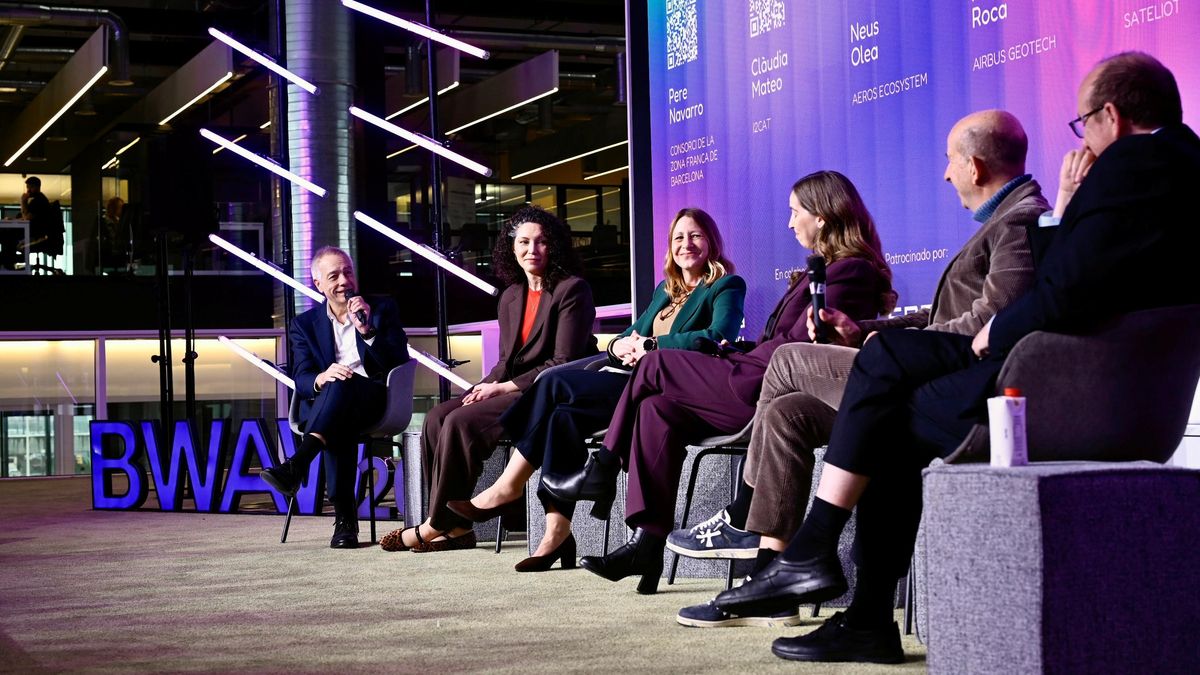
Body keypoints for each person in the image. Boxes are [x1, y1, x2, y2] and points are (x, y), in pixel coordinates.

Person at [714, 52, 1200, 664]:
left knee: (884, 392)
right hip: (1122, 389)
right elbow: (1097, 277)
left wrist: (996, 330)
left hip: (1059, 390)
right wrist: (1072, 208)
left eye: (1083, 126)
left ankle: (819, 559)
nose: (1085, 142)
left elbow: (1063, 291)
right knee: (885, 389)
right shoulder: (1182, 164)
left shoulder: (1134, 162)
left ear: (1111, 115)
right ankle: (851, 604)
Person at [669, 110, 1049, 628]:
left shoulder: (1020, 221)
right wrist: (864, 328)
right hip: (919, 372)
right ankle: (774, 574)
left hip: (942, 387)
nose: (945, 174)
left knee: (785, 359)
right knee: (789, 413)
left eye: (949, 162)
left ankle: (741, 511)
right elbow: (943, 316)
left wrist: (897, 345)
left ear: (975, 166)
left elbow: (992, 324)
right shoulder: (1004, 221)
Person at [543, 170, 896, 596]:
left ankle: (600, 471)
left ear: (821, 216)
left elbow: (810, 350)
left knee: (655, 366)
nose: (789, 222)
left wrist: (724, 353)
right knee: (656, 411)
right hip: (753, 373)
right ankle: (646, 545)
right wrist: (733, 351)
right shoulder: (817, 272)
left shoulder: (851, 272)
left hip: (770, 392)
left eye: (795, 212)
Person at [445, 207, 746, 572]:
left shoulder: (726, 285)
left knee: (553, 380)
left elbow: (717, 337)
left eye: (695, 235)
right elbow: (625, 336)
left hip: (664, 387)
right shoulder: (664, 293)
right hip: (626, 377)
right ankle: (556, 533)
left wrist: (652, 347)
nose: (686, 244)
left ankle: (508, 485)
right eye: (678, 237)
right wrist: (620, 346)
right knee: (560, 416)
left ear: (711, 241)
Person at [380, 206, 598, 553]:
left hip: (549, 393)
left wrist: (501, 387)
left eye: (541, 242)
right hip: (512, 387)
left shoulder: (572, 290)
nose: (532, 249)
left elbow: (563, 362)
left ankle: (436, 523)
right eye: (524, 242)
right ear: (511, 249)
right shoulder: (511, 295)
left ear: (554, 247)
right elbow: (505, 362)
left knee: (460, 424)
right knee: (438, 417)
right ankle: (458, 528)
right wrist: (481, 387)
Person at [261, 246, 410, 548]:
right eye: (334, 275)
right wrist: (321, 377)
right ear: (319, 284)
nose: (344, 280)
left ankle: (299, 468)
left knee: (344, 386)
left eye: (348, 272)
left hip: (375, 401)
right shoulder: (304, 325)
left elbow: (397, 361)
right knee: (338, 399)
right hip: (330, 406)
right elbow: (301, 376)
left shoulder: (381, 309)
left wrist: (367, 330)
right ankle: (344, 524)